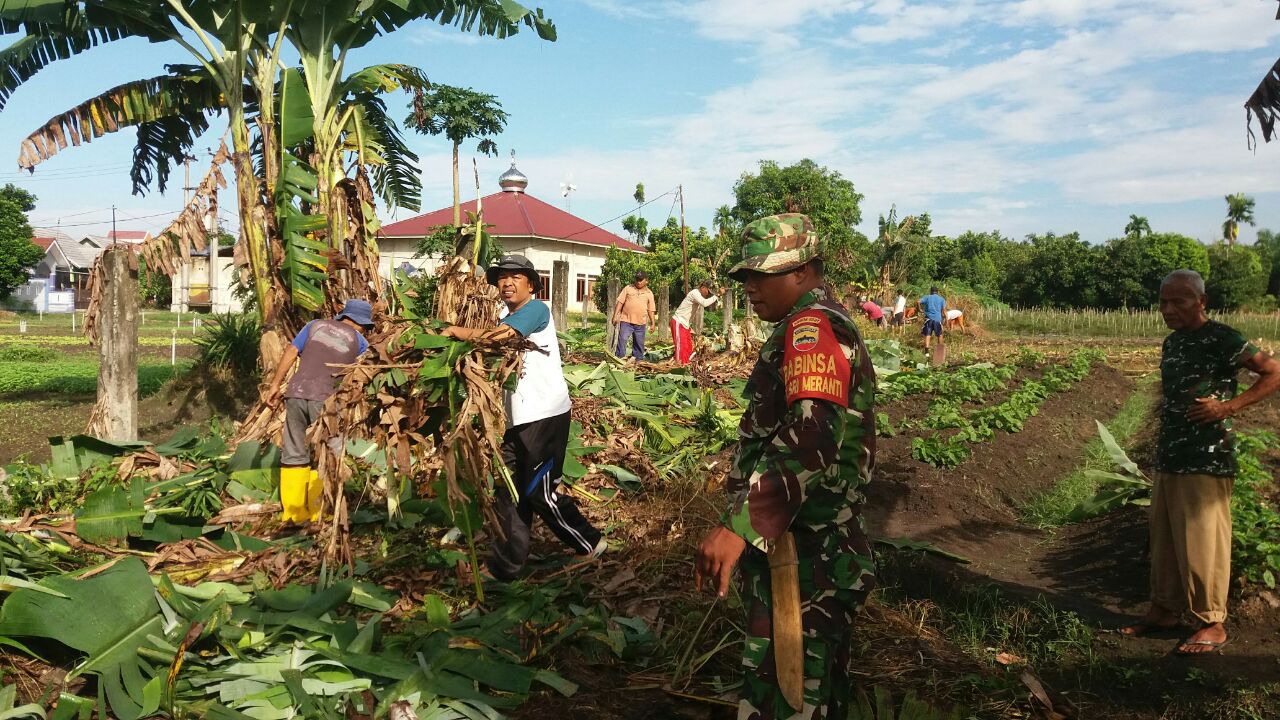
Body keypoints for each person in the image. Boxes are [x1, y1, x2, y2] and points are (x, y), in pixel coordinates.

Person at [694, 214, 876, 719]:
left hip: (808, 554)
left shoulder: (811, 328)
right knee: (813, 697)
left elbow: (812, 437)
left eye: (762, 274)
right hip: (808, 549)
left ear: (803, 270)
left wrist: (741, 526)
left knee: (787, 699)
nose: (750, 287)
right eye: (745, 276)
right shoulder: (810, 324)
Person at [1119, 270, 1279, 654]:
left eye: (1179, 301)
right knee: (1165, 538)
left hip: (1207, 456)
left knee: (1204, 542)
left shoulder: (1223, 339)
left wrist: (1228, 407)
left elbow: (1273, 372)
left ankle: (1213, 622)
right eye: (1163, 302)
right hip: (1172, 454)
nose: (1168, 309)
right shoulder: (1173, 342)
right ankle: (1164, 611)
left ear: (1202, 302)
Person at [443, 254, 606, 580]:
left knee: (538, 492)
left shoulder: (535, 310)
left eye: (515, 277)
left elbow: (500, 337)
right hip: (517, 419)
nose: (506, 283)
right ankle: (506, 567)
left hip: (545, 415)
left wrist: (456, 332)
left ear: (531, 285)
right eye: (502, 278)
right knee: (509, 491)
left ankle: (590, 542)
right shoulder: (505, 316)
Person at [264, 299, 373, 523]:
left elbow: (291, 351)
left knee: (294, 451)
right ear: (361, 323)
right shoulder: (360, 342)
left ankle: (293, 515)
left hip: (296, 393)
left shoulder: (314, 326)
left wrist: (275, 385)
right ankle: (318, 513)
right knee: (328, 451)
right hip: (325, 400)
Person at [672, 280, 719, 365]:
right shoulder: (695, 293)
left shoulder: (698, 295)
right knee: (681, 348)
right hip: (679, 321)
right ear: (703, 287)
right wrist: (717, 295)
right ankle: (679, 366)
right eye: (708, 291)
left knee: (688, 347)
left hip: (685, 324)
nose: (708, 294)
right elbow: (704, 303)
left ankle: (686, 365)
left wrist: (689, 327)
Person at [613, 270, 656, 361]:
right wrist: (615, 315)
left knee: (639, 344)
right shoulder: (628, 288)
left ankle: (637, 362)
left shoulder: (649, 293)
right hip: (626, 321)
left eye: (641, 280)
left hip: (640, 323)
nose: (638, 282)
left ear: (646, 281)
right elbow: (620, 302)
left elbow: (651, 309)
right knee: (622, 340)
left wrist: (653, 323)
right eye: (637, 279)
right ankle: (619, 360)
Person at [918, 286, 946, 352]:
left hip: (928, 319)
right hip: (937, 319)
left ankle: (926, 352)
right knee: (939, 335)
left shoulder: (927, 297)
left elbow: (918, 301)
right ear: (937, 292)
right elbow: (944, 310)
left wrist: (919, 309)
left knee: (928, 335)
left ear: (931, 291)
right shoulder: (941, 299)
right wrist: (944, 319)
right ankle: (939, 351)